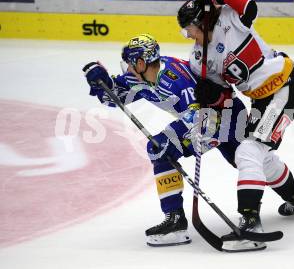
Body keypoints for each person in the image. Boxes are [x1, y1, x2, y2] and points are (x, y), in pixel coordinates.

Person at [177, 0, 294, 252]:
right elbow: (223, 97)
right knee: (260, 154)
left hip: (285, 90)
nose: (189, 36)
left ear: (204, 22)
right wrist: (209, 96)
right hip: (260, 101)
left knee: (248, 151)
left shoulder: (229, 18)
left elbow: (250, 6)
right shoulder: (199, 58)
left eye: (190, 29)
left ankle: (250, 224)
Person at [82, 33, 247, 247]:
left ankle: (176, 222)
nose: (127, 69)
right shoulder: (140, 76)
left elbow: (202, 119)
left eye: (130, 64)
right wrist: (101, 83)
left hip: (221, 117)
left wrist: (184, 140)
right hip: (206, 119)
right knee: (245, 160)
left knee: (247, 160)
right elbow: (115, 97)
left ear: (141, 63)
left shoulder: (175, 79)